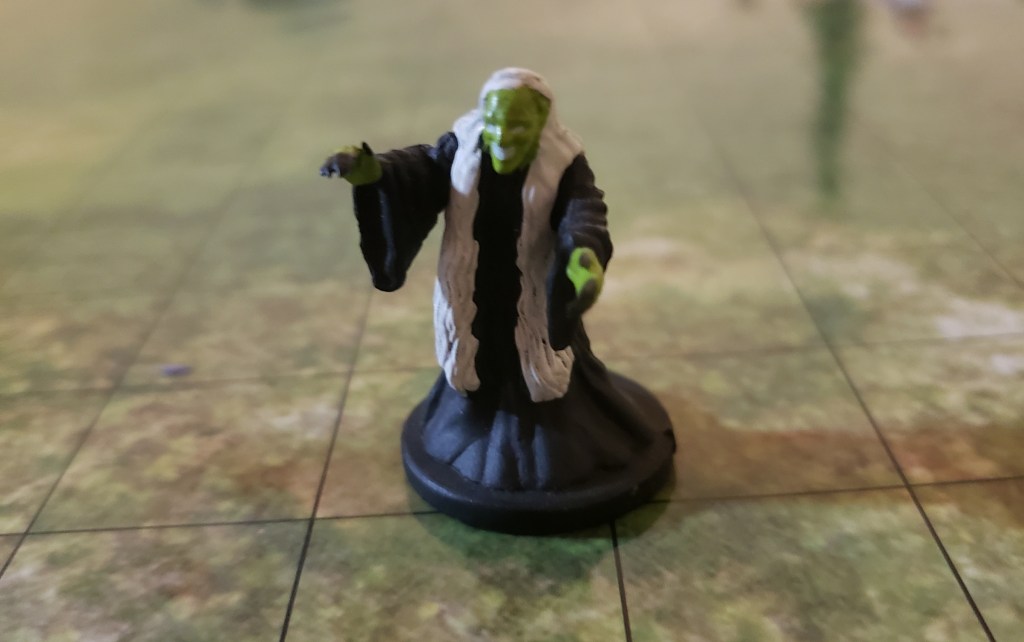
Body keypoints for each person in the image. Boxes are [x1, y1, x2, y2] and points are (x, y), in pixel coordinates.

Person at [321, 67, 674, 532]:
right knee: (477, 364)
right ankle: (473, 426)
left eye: (519, 126)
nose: (504, 136)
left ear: (542, 125)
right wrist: (371, 171)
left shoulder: (563, 162)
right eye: (495, 123)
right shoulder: (463, 147)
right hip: (475, 291)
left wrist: (583, 256)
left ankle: (551, 446)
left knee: (547, 371)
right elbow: (419, 170)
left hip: (532, 292)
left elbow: (583, 210)